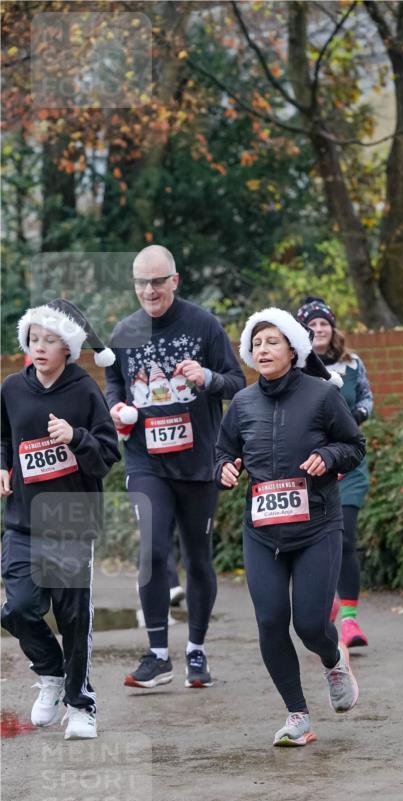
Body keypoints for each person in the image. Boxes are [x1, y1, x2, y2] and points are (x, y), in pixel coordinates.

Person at [215, 307, 365, 747]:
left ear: (294, 349)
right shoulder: (242, 403)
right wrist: (224, 468)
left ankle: (333, 659)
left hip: (318, 525)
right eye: (256, 343)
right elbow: (222, 451)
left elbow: (354, 444)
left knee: (311, 624)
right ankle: (297, 715)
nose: (262, 349)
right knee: (269, 619)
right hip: (263, 530)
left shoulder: (321, 395)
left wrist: (330, 458)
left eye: (272, 342)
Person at [105, 245, 245, 690]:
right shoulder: (124, 331)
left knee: (198, 559)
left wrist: (208, 379)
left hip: (199, 460)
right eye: (141, 282)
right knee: (152, 550)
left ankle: (196, 652)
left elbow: (237, 382)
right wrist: (117, 407)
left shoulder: (203, 324)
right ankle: (158, 654)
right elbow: (113, 381)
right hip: (146, 460)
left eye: (158, 281)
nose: (149, 290)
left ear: (175, 281)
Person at [1, 299, 121, 739]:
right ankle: (50, 673)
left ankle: (81, 704)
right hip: (23, 521)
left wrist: (76, 438)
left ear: (68, 348)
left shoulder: (84, 390)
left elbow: (107, 455)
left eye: (50, 340)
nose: (41, 347)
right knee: (16, 607)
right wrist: (2, 465)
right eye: (34, 339)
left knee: (74, 619)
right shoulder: (12, 388)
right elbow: (3, 436)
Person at [297, 297, 373, 648]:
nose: (318, 329)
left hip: (349, 463)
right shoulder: (296, 368)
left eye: (324, 323)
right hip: (310, 465)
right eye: (311, 325)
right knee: (317, 540)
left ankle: (349, 621)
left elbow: (367, 401)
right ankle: (325, 602)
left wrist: (350, 420)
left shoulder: (353, 363)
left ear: (333, 327)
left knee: (345, 538)